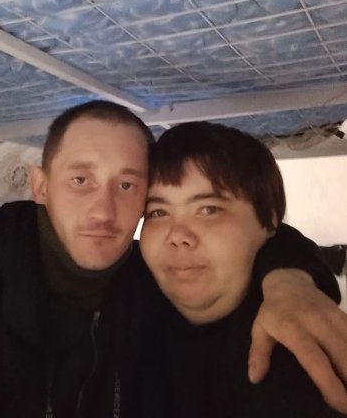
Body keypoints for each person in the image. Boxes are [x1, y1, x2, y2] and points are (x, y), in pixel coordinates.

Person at [0, 101, 346, 418]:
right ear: (40, 186)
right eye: (80, 180)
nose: (104, 210)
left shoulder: (155, 284)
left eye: (128, 186)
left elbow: (262, 230)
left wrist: (289, 278)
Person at [131, 120, 347, 417]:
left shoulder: (286, 360)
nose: (178, 235)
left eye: (209, 209)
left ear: (269, 220)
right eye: (158, 212)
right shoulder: (127, 294)